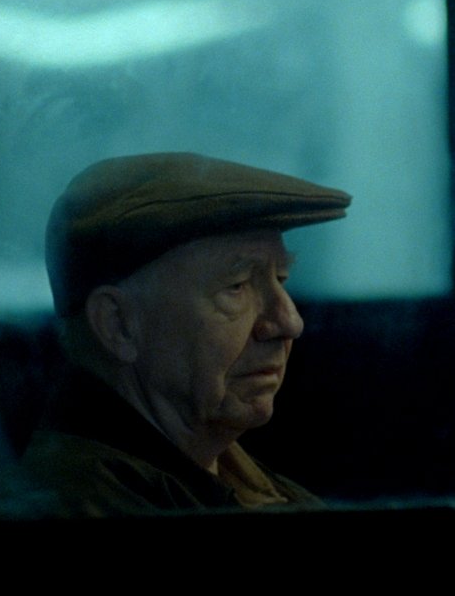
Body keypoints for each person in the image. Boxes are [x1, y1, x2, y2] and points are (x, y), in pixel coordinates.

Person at [22, 152, 350, 515]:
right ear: (118, 324)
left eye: (281, 278)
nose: (289, 322)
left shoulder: (235, 485)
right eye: (238, 286)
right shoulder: (74, 504)